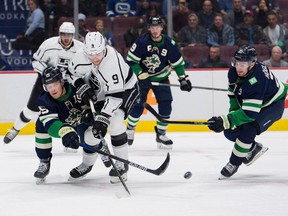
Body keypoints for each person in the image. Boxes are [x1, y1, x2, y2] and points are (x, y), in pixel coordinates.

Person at [67, 32, 139, 183]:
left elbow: (114, 98)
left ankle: (122, 165)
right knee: (89, 134)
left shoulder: (113, 61)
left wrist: (103, 119)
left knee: (115, 122)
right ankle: (87, 164)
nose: (95, 58)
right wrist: (80, 85)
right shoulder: (81, 55)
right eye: (90, 54)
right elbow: (69, 74)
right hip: (100, 91)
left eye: (98, 53)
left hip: (125, 90)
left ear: (104, 47)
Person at [207, 45, 287, 179]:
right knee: (230, 131)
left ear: (252, 63)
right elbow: (233, 95)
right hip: (259, 103)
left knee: (248, 129)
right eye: (237, 63)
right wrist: (230, 119)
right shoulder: (233, 72)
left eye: (242, 64)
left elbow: (250, 113)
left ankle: (233, 164)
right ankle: (253, 148)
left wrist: (226, 120)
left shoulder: (256, 80)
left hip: (274, 104)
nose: (238, 67)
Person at [3, 22, 83, 149]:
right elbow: (36, 60)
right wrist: (46, 72)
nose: (66, 38)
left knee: (70, 112)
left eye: (69, 35)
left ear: (73, 35)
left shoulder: (80, 49)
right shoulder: (48, 44)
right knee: (31, 110)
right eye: (64, 34)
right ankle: (15, 129)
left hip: (67, 86)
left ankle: (69, 139)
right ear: (60, 34)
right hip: (46, 83)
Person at [126, 16, 192, 150]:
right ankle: (130, 129)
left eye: (158, 27)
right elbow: (131, 61)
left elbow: (178, 64)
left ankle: (161, 134)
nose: (155, 30)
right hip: (143, 78)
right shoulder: (141, 41)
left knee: (166, 105)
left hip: (161, 78)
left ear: (162, 28)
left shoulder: (169, 43)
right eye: (152, 27)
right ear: (149, 28)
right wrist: (140, 74)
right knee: (138, 105)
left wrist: (183, 79)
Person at [33, 67, 83, 182]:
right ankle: (44, 161)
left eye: (54, 84)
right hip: (61, 124)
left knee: (92, 130)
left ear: (61, 81)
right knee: (41, 123)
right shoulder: (44, 100)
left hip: (80, 121)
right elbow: (50, 124)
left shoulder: (75, 88)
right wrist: (65, 131)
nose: (52, 90)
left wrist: (89, 115)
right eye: (48, 87)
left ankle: (100, 150)